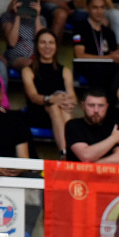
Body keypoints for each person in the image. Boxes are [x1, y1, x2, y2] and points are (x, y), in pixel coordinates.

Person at [21, 28, 76, 156]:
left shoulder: (65, 70)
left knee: (62, 106)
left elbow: (72, 96)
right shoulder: (28, 70)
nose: (47, 46)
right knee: (54, 106)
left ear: (56, 46)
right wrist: (50, 99)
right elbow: (33, 96)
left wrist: (68, 101)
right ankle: (68, 154)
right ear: (37, 46)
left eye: (51, 43)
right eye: (43, 42)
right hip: (37, 113)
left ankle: (65, 153)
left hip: (61, 112)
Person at [65, 89, 119, 164]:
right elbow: (85, 156)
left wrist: (91, 165)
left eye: (101, 106)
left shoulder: (114, 126)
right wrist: (114, 138)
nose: (96, 110)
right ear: (83, 106)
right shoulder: (73, 125)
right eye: (91, 105)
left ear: (107, 107)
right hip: (77, 175)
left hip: (107, 175)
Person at [0, 0, 46, 71]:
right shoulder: (8, 16)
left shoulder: (41, 19)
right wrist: (17, 15)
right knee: (30, 64)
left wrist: (36, 15)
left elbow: (41, 41)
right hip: (16, 56)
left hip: (36, 56)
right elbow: (12, 42)